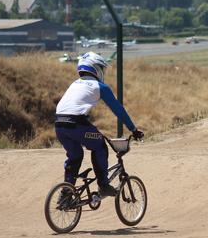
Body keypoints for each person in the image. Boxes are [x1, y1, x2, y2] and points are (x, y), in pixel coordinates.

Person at [55, 52, 143, 197]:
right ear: (95, 68)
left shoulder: (74, 84)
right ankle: (103, 185)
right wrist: (133, 129)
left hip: (59, 125)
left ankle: (66, 193)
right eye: (101, 68)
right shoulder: (100, 86)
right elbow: (118, 109)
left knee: (75, 155)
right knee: (100, 146)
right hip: (77, 124)